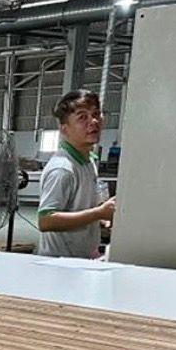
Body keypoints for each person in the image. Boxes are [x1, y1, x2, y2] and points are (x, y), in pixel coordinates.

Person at [37, 89, 115, 258]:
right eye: (82, 117)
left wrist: (99, 219)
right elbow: (46, 220)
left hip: (82, 259)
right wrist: (99, 213)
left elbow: (79, 208)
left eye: (96, 114)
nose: (93, 121)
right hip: (59, 264)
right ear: (64, 130)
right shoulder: (62, 169)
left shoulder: (88, 161)